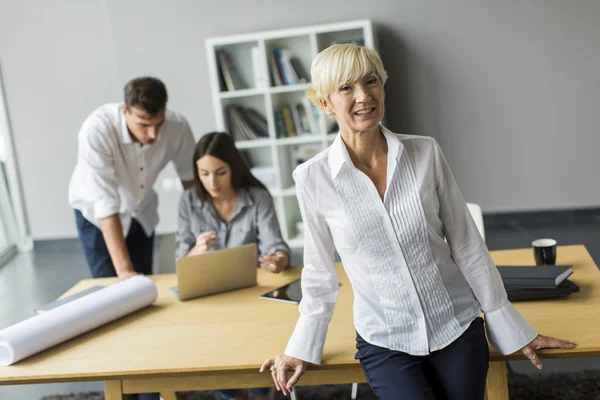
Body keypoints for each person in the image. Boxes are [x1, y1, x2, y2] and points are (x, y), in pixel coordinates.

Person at [260, 44, 576, 400]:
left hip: (455, 325)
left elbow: (467, 245)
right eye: (346, 87)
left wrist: (511, 327)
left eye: (371, 81)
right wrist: (301, 345)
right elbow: (319, 273)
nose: (363, 96)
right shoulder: (312, 178)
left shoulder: (425, 152)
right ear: (325, 104)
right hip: (385, 338)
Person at [177, 131, 291, 400]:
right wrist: (196, 251)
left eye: (220, 172)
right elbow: (180, 262)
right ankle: (234, 392)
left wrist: (278, 259)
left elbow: (276, 245)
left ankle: (263, 391)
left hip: (254, 296)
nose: (211, 182)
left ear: (234, 167)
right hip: (210, 299)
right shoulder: (189, 202)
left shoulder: (257, 197)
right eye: (203, 173)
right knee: (224, 372)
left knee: (261, 369)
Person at [69, 76, 196, 282]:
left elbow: (191, 181)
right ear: (125, 111)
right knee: (111, 286)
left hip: (141, 210)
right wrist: (125, 272)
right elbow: (106, 204)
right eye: (144, 125)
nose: (153, 133)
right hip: (96, 216)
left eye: (159, 123)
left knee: (145, 283)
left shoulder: (177, 126)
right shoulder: (97, 130)